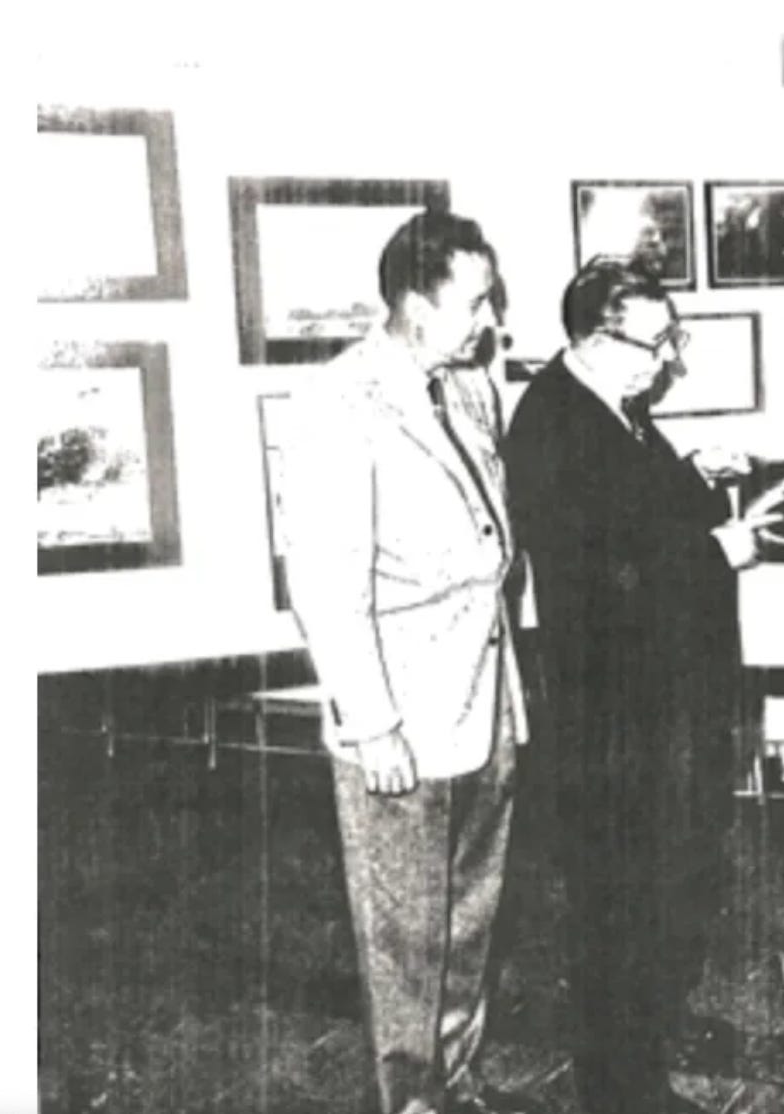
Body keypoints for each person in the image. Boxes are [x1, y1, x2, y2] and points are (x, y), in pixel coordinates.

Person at [280, 210, 536, 1114]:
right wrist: (373, 722)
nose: (490, 320)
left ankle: (456, 1078)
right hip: (401, 711)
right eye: (476, 302)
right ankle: (411, 1098)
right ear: (416, 305)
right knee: (403, 932)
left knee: (470, 912)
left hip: (485, 697)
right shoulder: (340, 404)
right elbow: (325, 583)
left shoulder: (467, 389)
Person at [503, 258, 773, 1114]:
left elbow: (628, 520)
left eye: (669, 341)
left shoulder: (609, 405)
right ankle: (620, 1091)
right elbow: (604, 578)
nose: (666, 361)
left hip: (654, 703)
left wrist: (691, 474)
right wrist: (716, 553)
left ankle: (642, 1056)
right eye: (653, 344)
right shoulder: (554, 423)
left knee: (657, 887)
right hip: (616, 716)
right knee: (618, 902)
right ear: (593, 339)